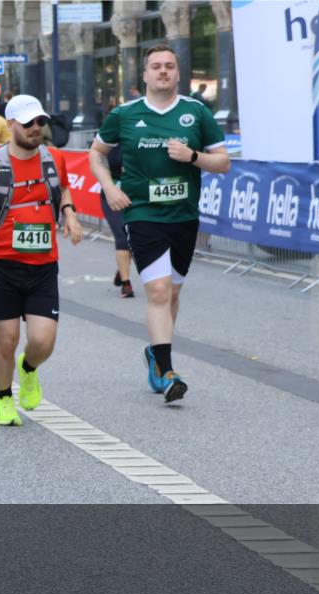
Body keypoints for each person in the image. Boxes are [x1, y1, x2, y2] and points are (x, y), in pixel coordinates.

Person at [89, 44, 230, 402]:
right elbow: (96, 152)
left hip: (184, 216)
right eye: (156, 66)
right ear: (146, 75)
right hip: (142, 214)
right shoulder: (124, 114)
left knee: (173, 293)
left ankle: (155, 352)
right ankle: (167, 371)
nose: (163, 71)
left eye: (170, 66)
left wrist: (193, 156)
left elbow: (223, 162)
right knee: (157, 291)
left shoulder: (197, 112)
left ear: (178, 74)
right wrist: (109, 187)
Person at [0, 95, 84, 426]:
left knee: (42, 341)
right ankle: (3, 399)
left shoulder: (53, 160)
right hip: (3, 264)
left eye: (41, 122)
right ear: (10, 126)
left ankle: (28, 369)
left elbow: (64, 189)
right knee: (5, 340)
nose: (36, 128)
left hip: (43, 266)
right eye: (28, 123)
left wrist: (69, 213)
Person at [100, 142, 133, 298]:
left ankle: (122, 270)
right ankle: (126, 284)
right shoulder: (106, 143)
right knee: (122, 235)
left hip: (134, 196)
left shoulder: (135, 137)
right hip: (112, 197)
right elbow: (98, 165)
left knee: (133, 236)